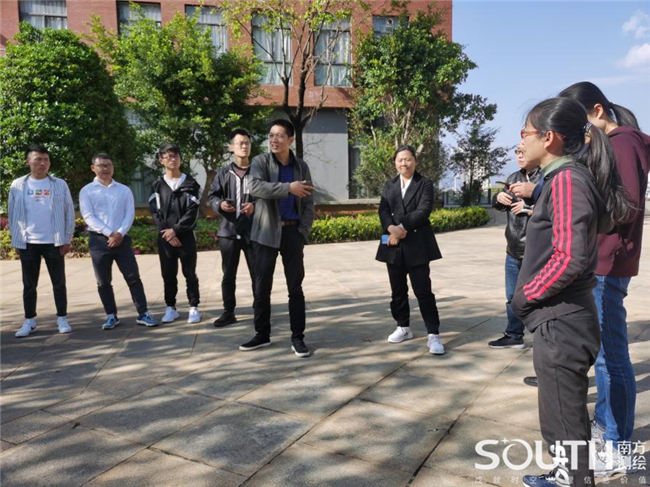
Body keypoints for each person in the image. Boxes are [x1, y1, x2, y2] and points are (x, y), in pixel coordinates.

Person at [511, 97, 633, 487]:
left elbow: (570, 258)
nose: (521, 140)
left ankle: (573, 479)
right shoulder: (562, 179)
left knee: (563, 417)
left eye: (526, 132)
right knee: (562, 414)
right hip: (561, 316)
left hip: (561, 318)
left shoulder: (567, 181)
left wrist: (526, 295)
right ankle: (568, 474)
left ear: (548, 138)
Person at [559, 81, 650, 477]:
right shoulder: (616, 143)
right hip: (602, 260)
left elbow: (624, 208)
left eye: (579, 123)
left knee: (612, 358)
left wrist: (582, 211)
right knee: (604, 355)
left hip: (608, 263)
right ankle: (606, 426)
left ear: (597, 111)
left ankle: (618, 447)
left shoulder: (623, 144)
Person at [242, 119, 315, 357]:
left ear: (291, 140)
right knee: (262, 286)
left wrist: (303, 230)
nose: (274, 140)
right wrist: (287, 188)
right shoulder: (260, 162)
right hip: (265, 232)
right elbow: (255, 187)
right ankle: (262, 334)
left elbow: (309, 201)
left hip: (293, 232)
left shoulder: (301, 166)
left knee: (295, 287)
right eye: (271, 135)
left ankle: (298, 337)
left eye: (280, 135)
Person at [376, 145, 445, 355]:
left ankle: (433, 334)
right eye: (400, 160)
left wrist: (400, 228)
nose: (403, 163)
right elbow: (383, 210)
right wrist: (391, 228)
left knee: (423, 291)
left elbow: (423, 211)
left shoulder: (424, 183)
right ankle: (403, 326)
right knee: (397, 291)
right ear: (395, 163)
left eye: (407, 159)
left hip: (417, 245)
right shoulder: (389, 185)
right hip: (393, 245)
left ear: (415, 161)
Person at [79, 154, 159, 329]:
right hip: (99, 241)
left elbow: (129, 214)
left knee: (133, 277)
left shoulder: (124, 190)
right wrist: (110, 233)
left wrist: (119, 234)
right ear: (93, 168)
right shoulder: (87, 191)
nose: (105, 168)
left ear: (113, 167)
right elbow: (88, 216)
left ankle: (143, 313)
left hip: (122, 239)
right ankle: (111, 315)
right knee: (103, 281)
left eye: (108, 165)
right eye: (101, 165)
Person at [9, 144, 75, 337]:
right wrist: (16, 240)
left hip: (54, 241)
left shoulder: (59, 184)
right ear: (28, 161)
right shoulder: (17, 185)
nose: (42, 163)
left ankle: (62, 318)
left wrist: (67, 238)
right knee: (29, 284)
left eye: (46, 159)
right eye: (38, 159)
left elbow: (69, 212)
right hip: (28, 242)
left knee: (59, 283)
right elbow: (13, 214)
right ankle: (29, 321)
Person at [488, 141, 541, 349]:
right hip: (513, 249)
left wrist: (529, 208)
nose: (519, 155)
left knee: (538, 296)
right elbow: (502, 206)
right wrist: (498, 197)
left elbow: (554, 208)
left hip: (536, 251)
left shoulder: (545, 178)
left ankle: (544, 337)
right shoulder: (513, 178)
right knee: (512, 297)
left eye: (523, 151)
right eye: (517, 151)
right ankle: (514, 335)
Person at [208, 129, 256, 328]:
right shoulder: (223, 173)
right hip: (228, 231)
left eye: (247, 143)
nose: (244, 146)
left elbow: (268, 197)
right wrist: (220, 205)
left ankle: (260, 310)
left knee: (258, 274)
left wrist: (255, 206)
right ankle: (229, 312)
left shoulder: (258, 172)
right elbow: (212, 196)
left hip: (253, 231)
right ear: (231, 147)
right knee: (228, 275)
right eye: (240, 143)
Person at [149, 144, 202, 324]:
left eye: (176, 156)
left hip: (186, 237)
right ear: (161, 160)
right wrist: (168, 234)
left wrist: (176, 230)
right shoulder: (157, 185)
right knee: (168, 274)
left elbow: (193, 212)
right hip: (165, 238)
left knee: (190, 273)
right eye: (169, 156)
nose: (173, 159)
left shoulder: (191, 184)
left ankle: (193, 307)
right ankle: (170, 308)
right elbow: (155, 212)